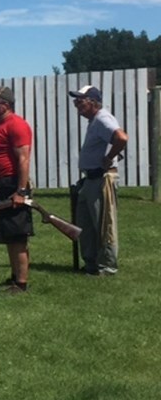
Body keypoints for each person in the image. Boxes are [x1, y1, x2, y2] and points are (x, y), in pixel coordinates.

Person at [69, 85, 128, 276]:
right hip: (90, 179)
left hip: (101, 180)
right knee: (86, 225)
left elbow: (121, 138)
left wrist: (109, 157)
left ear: (93, 102)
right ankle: (92, 265)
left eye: (80, 101)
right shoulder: (95, 121)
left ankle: (107, 267)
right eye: (75, 101)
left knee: (104, 224)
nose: (76, 104)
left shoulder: (103, 118)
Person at [0, 86, 33, 294]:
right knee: (9, 234)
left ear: (5, 105)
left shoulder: (16, 125)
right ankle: (15, 277)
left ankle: (21, 283)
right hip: (4, 184)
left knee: (17, 235)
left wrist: (20, 190)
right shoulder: (2, 125)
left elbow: (23, 159)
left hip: (12, 184)